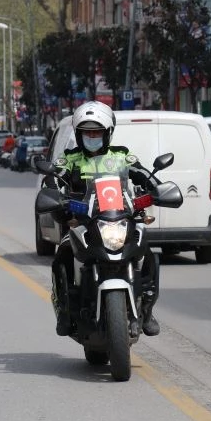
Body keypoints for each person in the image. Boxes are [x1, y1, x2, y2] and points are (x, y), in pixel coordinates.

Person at [50, 101, 161, 337]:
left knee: (148, 252)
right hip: (82, 221)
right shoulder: (69, 159)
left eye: (97, 132)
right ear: (78, 135)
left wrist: (156, 188)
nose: (92, 136)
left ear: (107, 133)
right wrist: (52, 193)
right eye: (86, 132)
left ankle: (148, 310)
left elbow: (141, 174)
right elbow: (53, 179)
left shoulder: (121, 156)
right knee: (63, 254)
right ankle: (65, 310)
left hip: (119, 216)